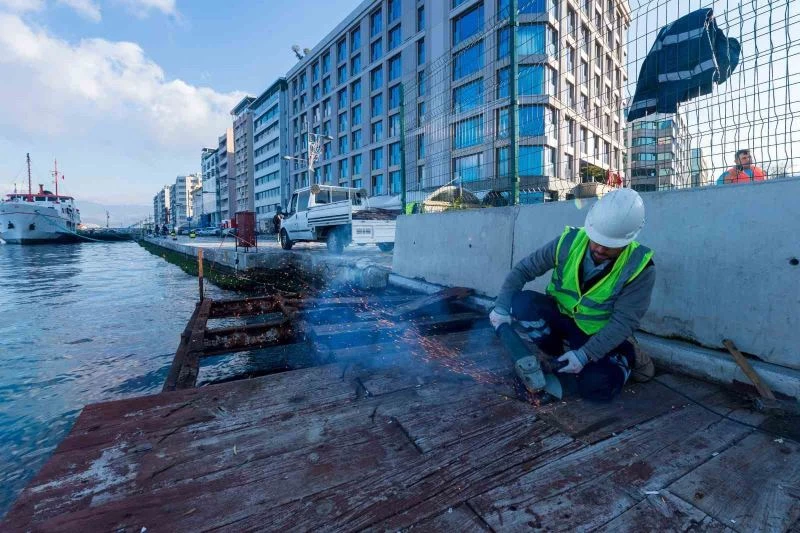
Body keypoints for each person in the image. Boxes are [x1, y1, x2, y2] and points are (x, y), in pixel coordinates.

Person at [489, 188, 656, 402]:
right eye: (597, 239)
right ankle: (552, 353)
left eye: (610, 245)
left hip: (596, 332)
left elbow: (624, 322)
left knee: (596, 389)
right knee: (521, 303)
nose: (600, 249)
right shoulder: (568, 242)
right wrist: (501, 308)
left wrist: (584, 355)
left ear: (628, 240)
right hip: (561, 316)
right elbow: (523, 270)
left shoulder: (639, 267)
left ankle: (628, 357)